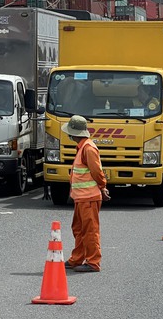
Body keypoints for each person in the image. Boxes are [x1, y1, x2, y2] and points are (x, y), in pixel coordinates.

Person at [62, 115, 110, 272]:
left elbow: (97, 171)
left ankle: (93, 262)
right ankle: (77, 258)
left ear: (75, 133)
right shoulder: (83, 147)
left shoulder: (88, 148)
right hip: (81, 197)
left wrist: (103, 186)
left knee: (90, 230)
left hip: (88, 197)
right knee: (79, 229)